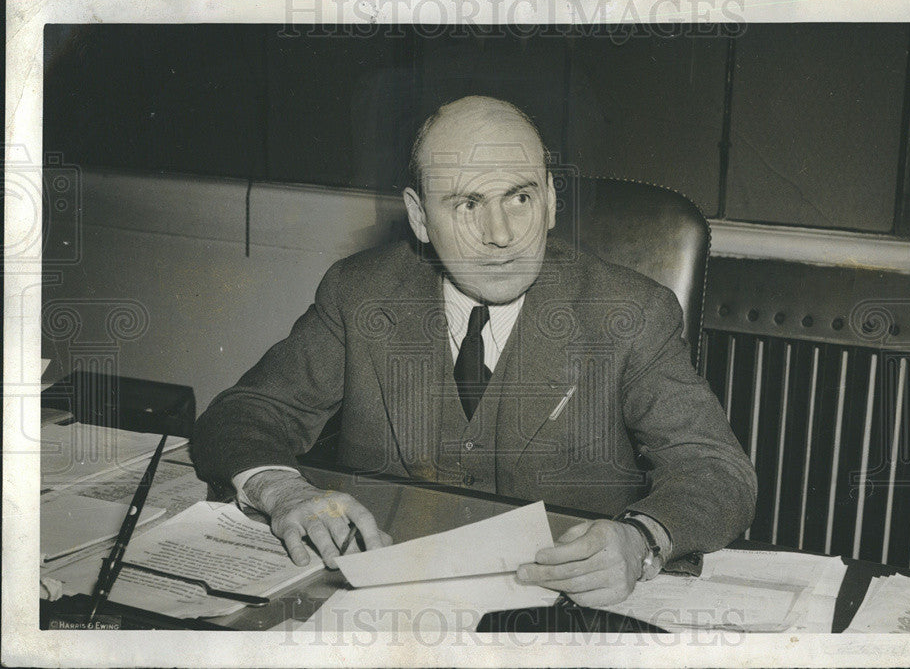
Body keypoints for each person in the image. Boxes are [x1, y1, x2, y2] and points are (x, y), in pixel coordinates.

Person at [193, 95, 756, 607]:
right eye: (467, 204)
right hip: (387, 608)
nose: (502, 233)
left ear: (553, 200)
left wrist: (642, 539)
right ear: (418, 217)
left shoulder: (629, 314)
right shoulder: (361, 294)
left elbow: (718, 471)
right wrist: (283, 489)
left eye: (520, 196)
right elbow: (244, 414)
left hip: (554, 617)